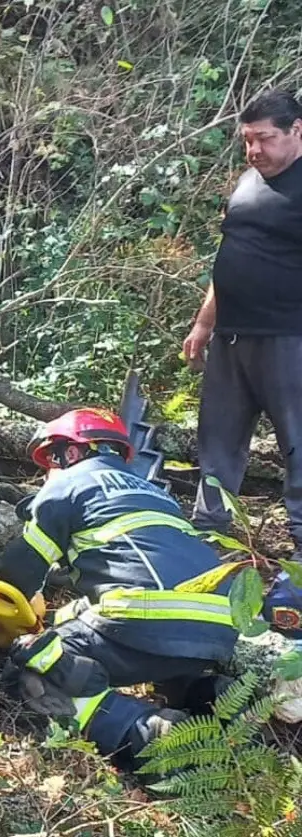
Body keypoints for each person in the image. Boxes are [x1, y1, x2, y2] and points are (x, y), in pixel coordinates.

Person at [0, 408, 240, 768]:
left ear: (70, 453)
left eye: (50, 462)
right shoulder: (157, 494)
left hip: (148, 619)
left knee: (36, 667)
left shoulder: (68, 484)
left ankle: (148, 735)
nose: (47, 473)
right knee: (159, 654)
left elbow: (15, 575)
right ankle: (211, 695)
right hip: (215, 629)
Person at [183, 89, 302, 558]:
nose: (254, 151)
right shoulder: (249, 181)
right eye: (247, 141)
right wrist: (203, 323)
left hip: (288, 337)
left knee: (297, 445)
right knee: (217, 443)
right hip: (233, 337)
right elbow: (231, 254)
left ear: (297, 130)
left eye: (264, 139)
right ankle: (208, 544)